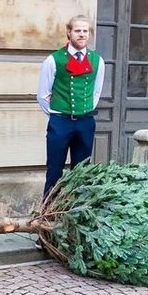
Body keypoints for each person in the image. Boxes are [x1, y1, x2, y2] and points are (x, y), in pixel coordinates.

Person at [37, 15, 105, 196]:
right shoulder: (54, 60)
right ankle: (48, 214)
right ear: (69, 33)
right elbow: (43, 95)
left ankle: (76, 213)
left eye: (85, 31)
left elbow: (96, 92)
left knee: (82, 173)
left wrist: (84, 109)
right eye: (77, 31)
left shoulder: (98, 60)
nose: (82, 35)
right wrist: (58, 113)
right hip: (60, 122)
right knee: (54, 171)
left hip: (85, 122)